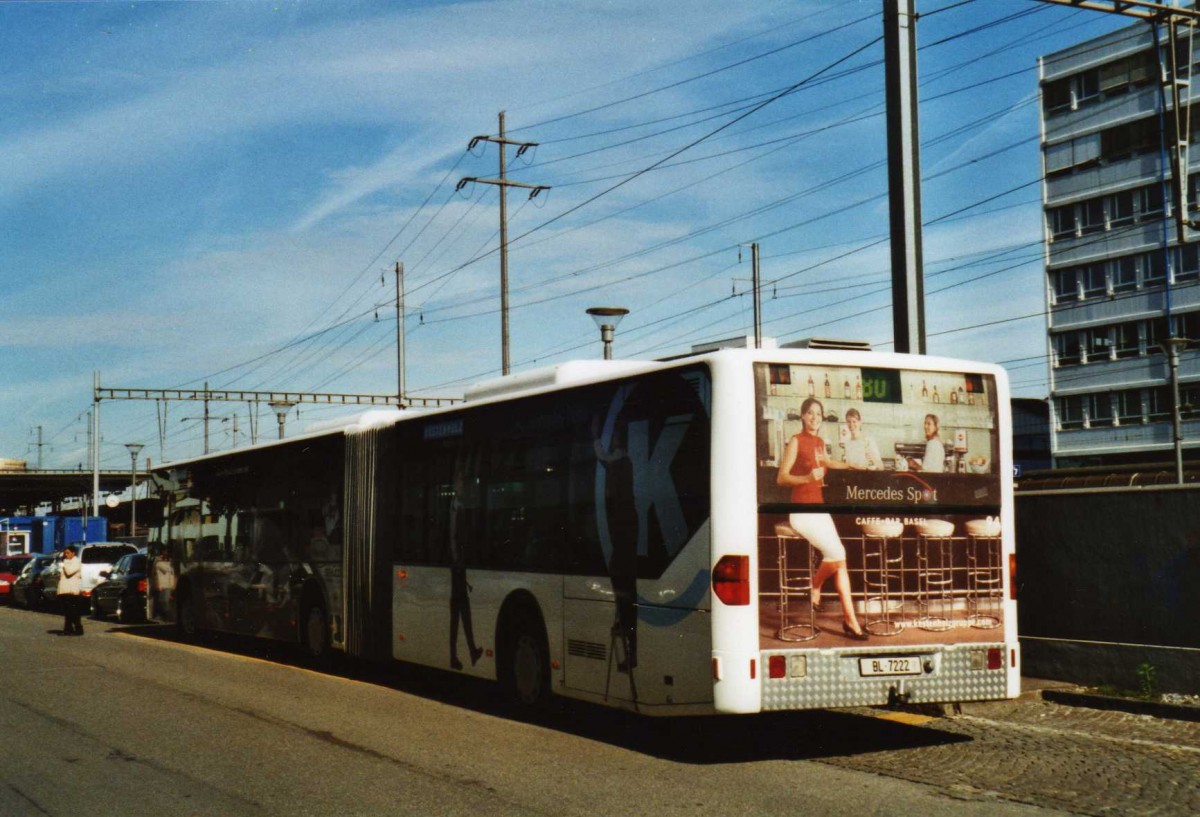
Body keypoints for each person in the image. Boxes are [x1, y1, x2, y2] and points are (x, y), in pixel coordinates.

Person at [776, 397, 868, 641]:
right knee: (839, 555)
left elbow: (826, 462)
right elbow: (782, 478)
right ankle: (816, 586)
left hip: (819, 508)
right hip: (802, 512)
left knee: (840, 560)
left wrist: (849, 465)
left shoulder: (818, 441)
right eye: (811, 413)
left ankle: (851, 621)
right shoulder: (796, 441)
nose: (815, 417)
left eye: (818, 413)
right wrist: (806, 478)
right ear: (803, 416)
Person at [57, 546, 84, 636]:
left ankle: (78, 629)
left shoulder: (76, 561)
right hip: (64, 589)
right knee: (67, 612)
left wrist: (64, 565)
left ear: (73, 553)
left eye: (68, 553)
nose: (66, 555)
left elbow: (69, 572)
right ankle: (68, 629)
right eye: (65, 553)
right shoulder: (66, 562)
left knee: (74, 611)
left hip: (72, 590)